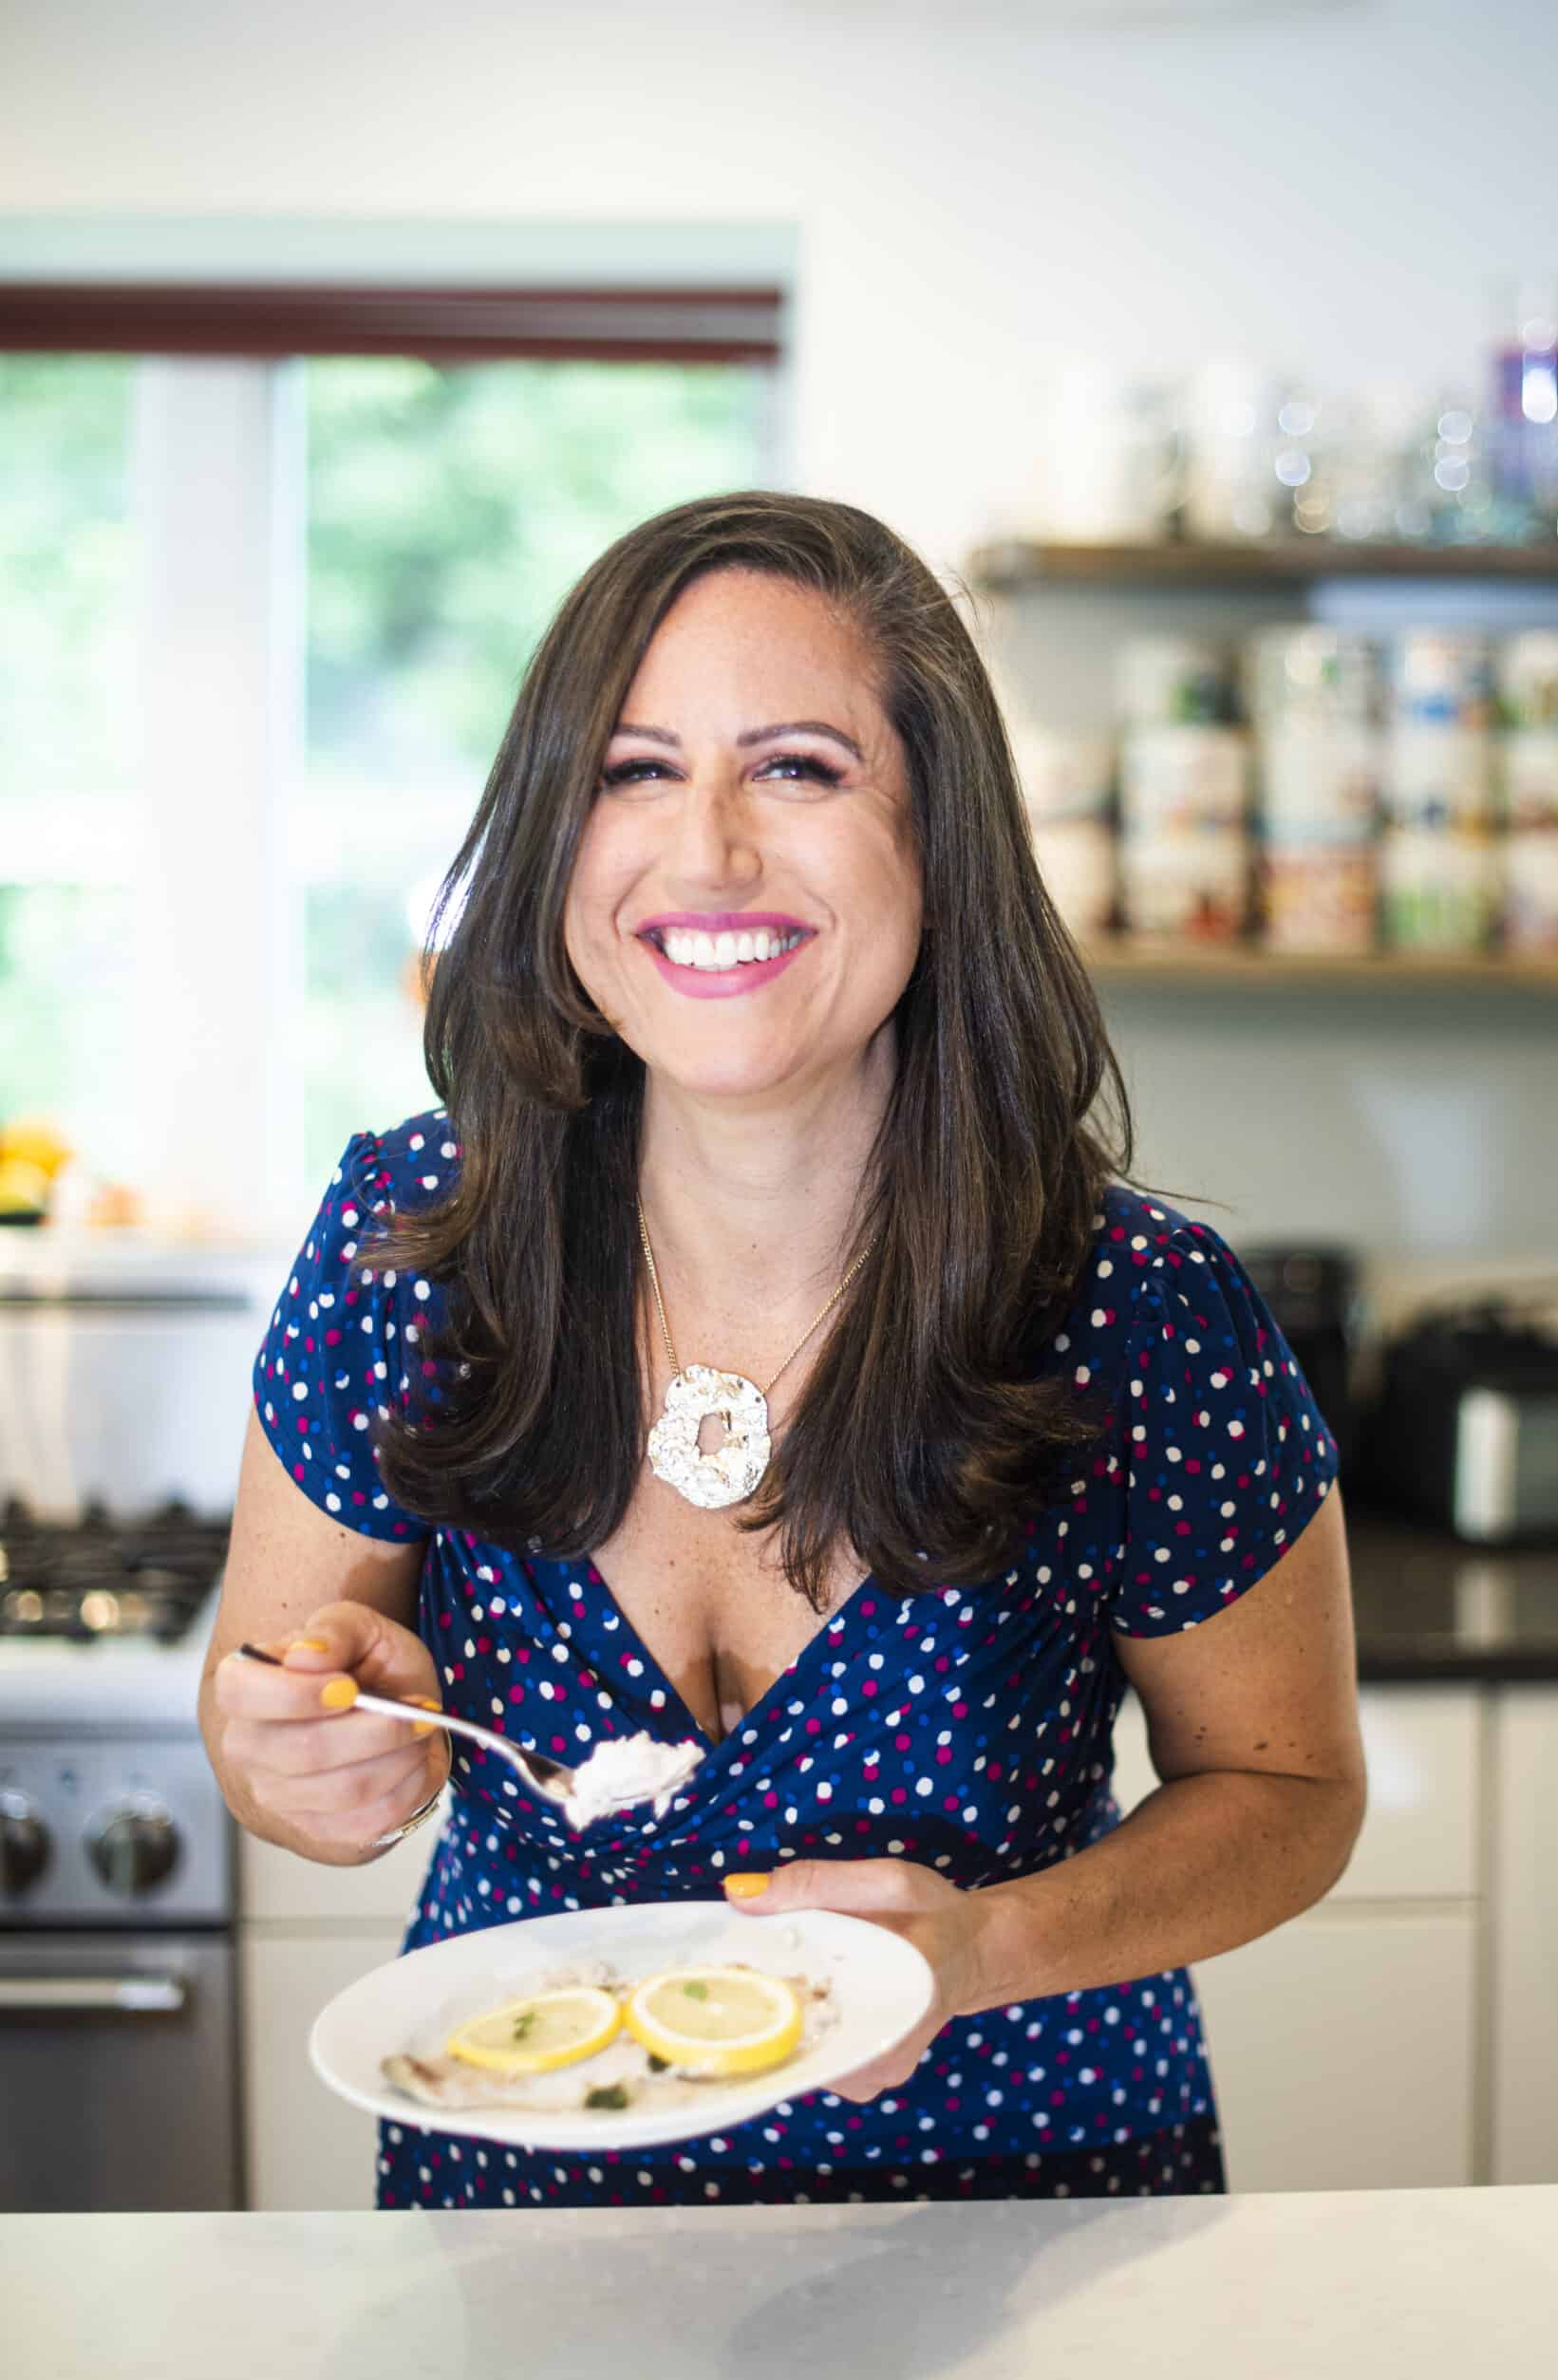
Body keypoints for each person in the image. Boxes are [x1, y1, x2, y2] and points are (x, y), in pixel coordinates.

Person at [199, 490, 1364, 2208]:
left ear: (937, 836)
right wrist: (298, 1748)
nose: (708, 854)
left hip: (1023, 2225)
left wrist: (985, 1945)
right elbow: (260, 1710)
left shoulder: (1134, 1303)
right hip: (528, 2216)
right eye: (633, 770)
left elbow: (1289, 1786)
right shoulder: (411, 1239)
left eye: (800, 769)